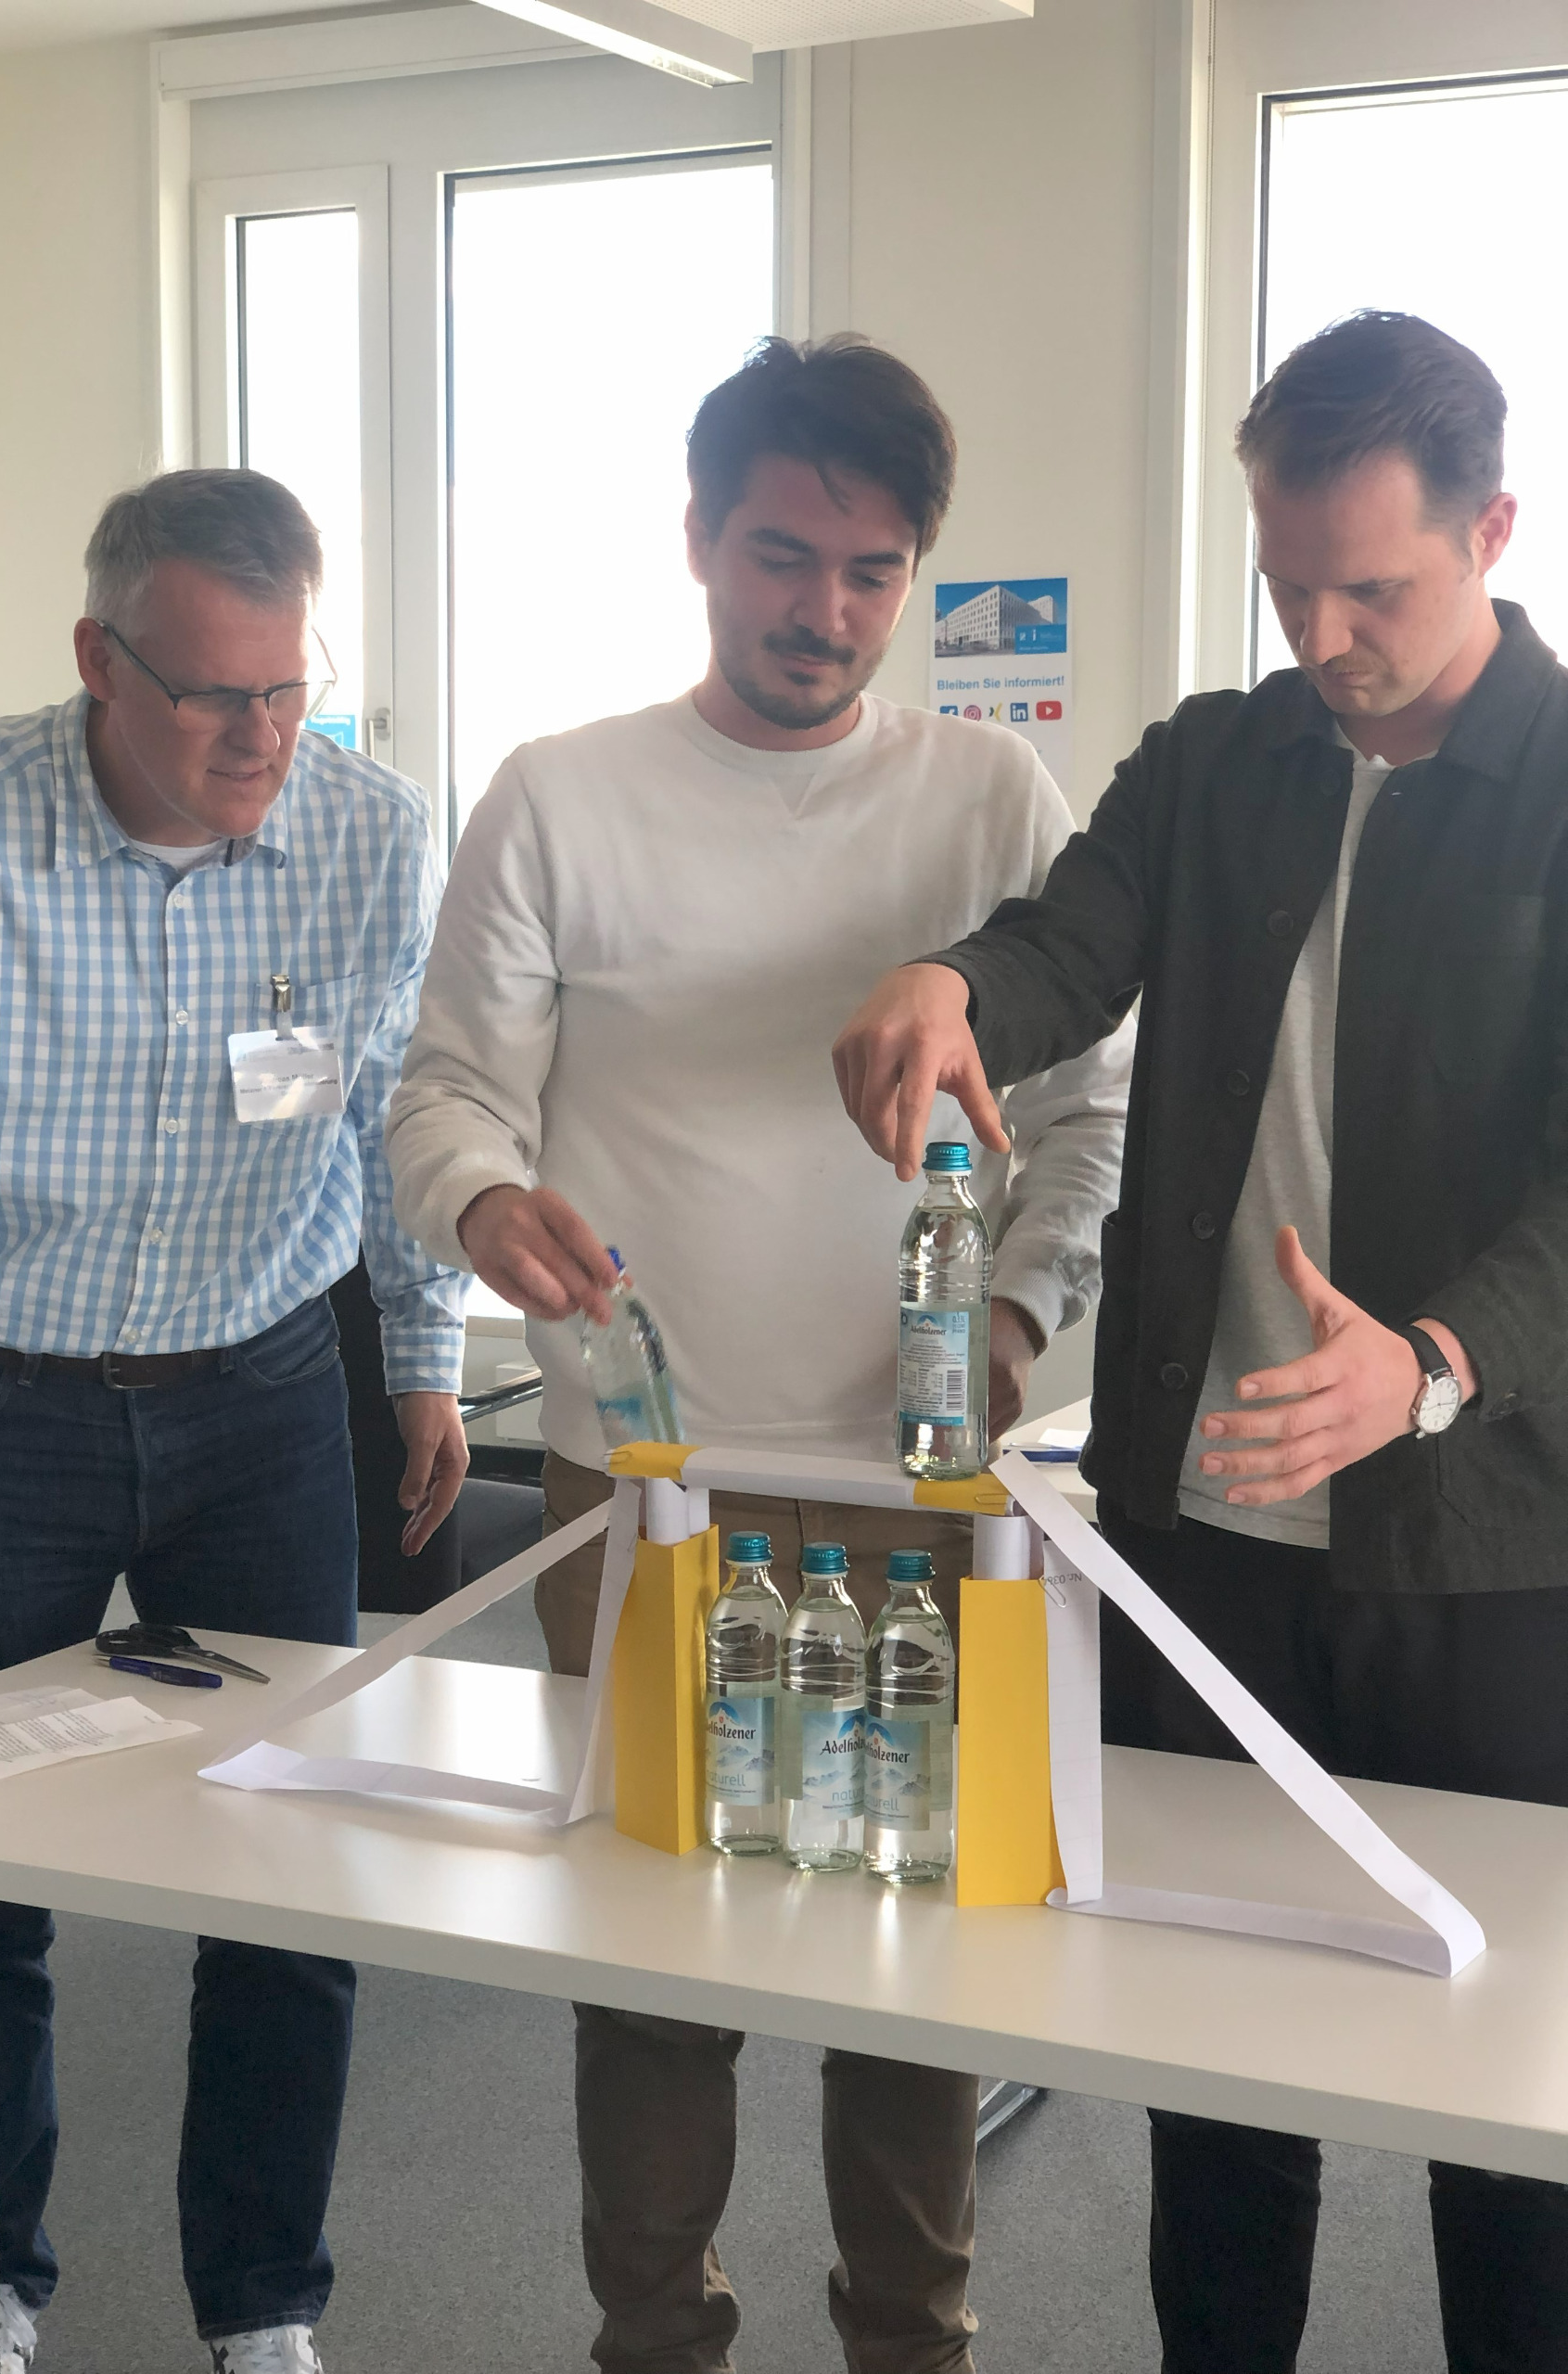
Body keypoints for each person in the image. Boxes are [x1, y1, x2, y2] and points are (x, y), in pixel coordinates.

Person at [386, 335, 1131, 2374]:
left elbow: (1087, 1109)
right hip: (644, 1482)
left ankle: (915, 2337)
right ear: (701, 539)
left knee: (919, 1954)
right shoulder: (561, 791)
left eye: (873, 570)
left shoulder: (990, 795)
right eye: (784, 555)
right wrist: (482, 1205)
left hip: (923, 1474)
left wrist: (1016, 1310)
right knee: (655, 1956)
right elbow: (448, 1092)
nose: (825, 609)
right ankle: (656, 2336)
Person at [833, 310, 1568, 2374]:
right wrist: (951, 987)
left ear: (1493, 531)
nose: (1323, 635)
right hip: (1211, 1537)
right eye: (1287, 582)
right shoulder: (1218, 762)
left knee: (1513, 2088)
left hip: (1491, 1557)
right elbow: (1065, 946)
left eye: (1373, 588)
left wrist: (1429, 1361)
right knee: (1217, 2058)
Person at [0, 468, 467, 2374]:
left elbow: (392, 1111)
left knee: (292, 1857)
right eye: (212, 696)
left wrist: (422, 1350)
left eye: (290, 689)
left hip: (263, 1394)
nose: (261, 740)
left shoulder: (368, 833)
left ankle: (261, 2300)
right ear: (99, 660)